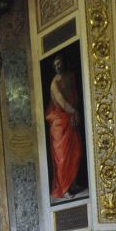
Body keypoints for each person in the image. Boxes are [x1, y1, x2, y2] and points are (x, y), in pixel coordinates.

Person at [45, 55, 84, 201]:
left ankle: (72, 183)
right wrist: (74, 112)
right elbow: (62, 103)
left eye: (59, 63)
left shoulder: (70, 76)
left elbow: (74, 97)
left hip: (70, 120)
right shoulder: (54, 84)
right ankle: (65, 188)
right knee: (62, 159)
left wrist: (74, 112)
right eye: (55, 65)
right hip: (59, 124)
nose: (58, 67)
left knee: (76, 152)